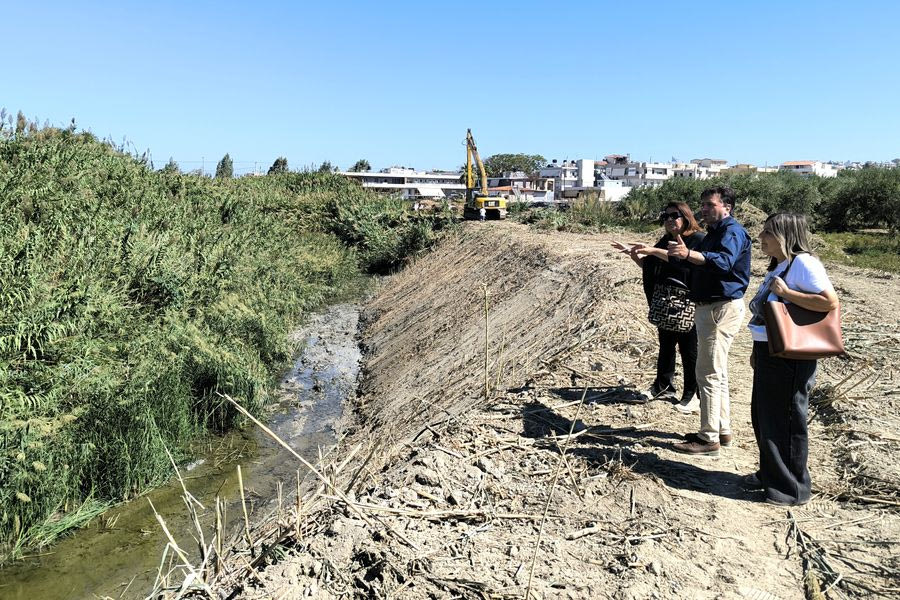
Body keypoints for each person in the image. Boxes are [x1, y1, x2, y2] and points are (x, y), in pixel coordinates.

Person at [744, 213, 838, 505]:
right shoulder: (781, 265)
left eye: (768, 232)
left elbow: (829, 301)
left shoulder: (805, 263)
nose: (761, 237)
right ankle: (771, 474)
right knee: (764, 416)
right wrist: (756, 350)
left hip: (791, 356)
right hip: (770, 350)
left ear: (785, 235)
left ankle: (791, 488)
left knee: (785, 419)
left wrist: (789, 293)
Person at [668, 186, 751, 456]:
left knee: (708, 374)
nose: (703, 209)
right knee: (718, 373)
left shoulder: (731, 232)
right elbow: (697, 263)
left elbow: (723, 262)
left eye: (709, 205)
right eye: (702, 205)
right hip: (711, 307)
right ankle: (721, 429)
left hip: (720, 309)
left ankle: (708, 438)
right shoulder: (715, 233)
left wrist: (690, 255)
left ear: (726, 206)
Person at [612, 202, 705, 409]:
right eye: (666, 216)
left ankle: (692, 393)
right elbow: (654, 267)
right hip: (665, 301)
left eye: (675, 215)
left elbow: (686, 265)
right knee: (666, 345)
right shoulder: (666, 240)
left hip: (687, 304)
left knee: (689, 350)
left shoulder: (698, 240)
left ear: (687, 217)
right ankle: (663, 385)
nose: (670, 220)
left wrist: (654, 251)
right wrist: (635, 255)